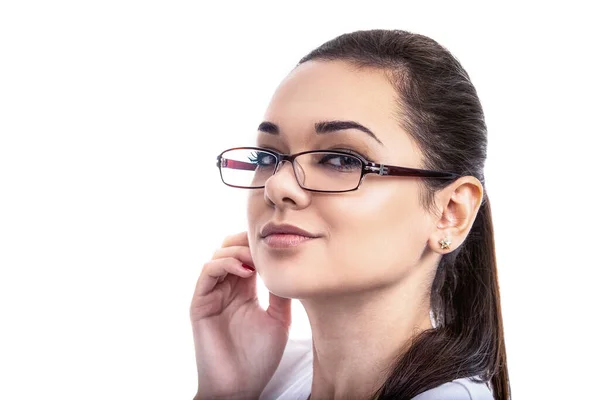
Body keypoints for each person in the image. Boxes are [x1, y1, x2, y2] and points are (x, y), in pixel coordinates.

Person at [190, 29, 510, 400]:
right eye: (268, 157)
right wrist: (224, 394)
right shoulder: (265, 373)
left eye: (341, 159)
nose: (277, 187)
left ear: (450, 213)